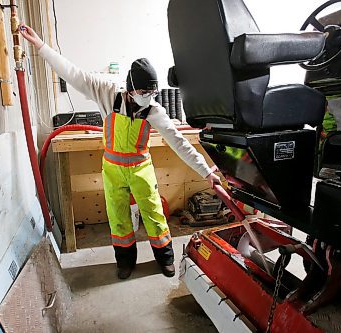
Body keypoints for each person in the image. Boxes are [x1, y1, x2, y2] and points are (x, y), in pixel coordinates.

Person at [20, 25, 222, 279]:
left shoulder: (154, 111)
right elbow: (73, 74)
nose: (148, 97)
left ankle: (165, 259)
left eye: (152, 92)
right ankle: (125, 261)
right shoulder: (107, 94)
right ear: (130, 88)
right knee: (118, 219)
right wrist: (41, 46)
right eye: (143, 92)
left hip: (141, 169)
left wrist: (206, 172)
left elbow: (179, 142)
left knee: (154, 215)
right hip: (113, 171)